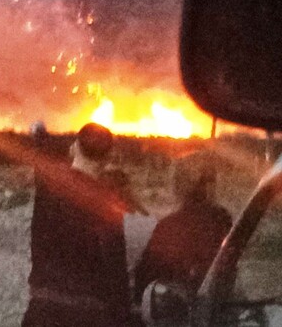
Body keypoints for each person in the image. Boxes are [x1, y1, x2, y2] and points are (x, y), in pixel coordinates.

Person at [22, 122, 131, 327]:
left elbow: (42, 157)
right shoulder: (108, 207)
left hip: (43, 311)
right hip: (86, 314)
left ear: (74, 147)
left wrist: (39, 134)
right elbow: (116, 270)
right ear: (108, 157)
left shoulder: (49, 185)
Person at [133, 155, 232, 306]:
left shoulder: (169, 226)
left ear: (177, 184)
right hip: (220, 305)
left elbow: (145, 282)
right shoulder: (223, 219)